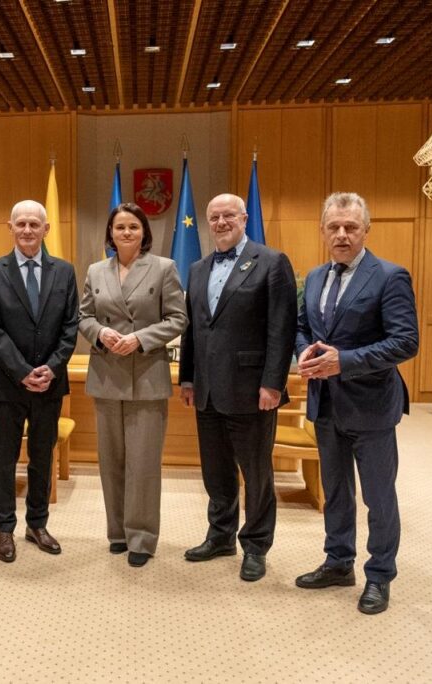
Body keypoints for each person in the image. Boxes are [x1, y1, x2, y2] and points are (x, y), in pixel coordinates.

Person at [294, 192, 418, 615]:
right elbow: (301, 327)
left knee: (378, 497)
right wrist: (304, 353)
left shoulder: (389, 276)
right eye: (334, 227)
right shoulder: (313, 277)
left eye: (350, 226)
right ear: (323, 230)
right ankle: (338, 562)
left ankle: (380, 575)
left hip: (371, 406)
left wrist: (342, 362)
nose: (342, 234)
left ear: (366, 229)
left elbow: (405, 342)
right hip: (326, 405)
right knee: (336, 491)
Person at [179, 193, 297, 582]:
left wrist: (273, 383)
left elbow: (281, 329)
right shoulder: (197, 269)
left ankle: (256, 545)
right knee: (216, 471)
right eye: (214, 217)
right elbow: (194, 330)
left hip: (252, 389)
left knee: (256, 472)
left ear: (244, 218)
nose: (221, 222)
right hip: (208, 389)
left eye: (229, 215)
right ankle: (220, 535)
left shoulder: (271, 262)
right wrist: (188, 378)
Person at [78, 202, 187, 568]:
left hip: (146, 376)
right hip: (107, 374)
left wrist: (140, 338)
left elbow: (177, 318)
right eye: (119, 227)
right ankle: (117, 533)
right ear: (110, 233)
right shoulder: (96, 270)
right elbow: (84, 316)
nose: (126, 233)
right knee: (111, 461)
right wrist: (100, 332)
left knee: (143, 463)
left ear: (144, 233)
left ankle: (141, 536)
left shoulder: (164, 268)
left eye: (133, 227)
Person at [0, 200, 79, 562]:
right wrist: (22, 371)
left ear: (46, 229)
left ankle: (37, 523)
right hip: (7, 385)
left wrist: (51, 368)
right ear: (10, 227)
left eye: (34, 224)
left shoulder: (64, 272)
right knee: (3, 458)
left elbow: (71, 326)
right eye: (20, 223)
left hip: (50, 384)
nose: (27, 230)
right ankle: (3, 528)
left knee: (42, 455)